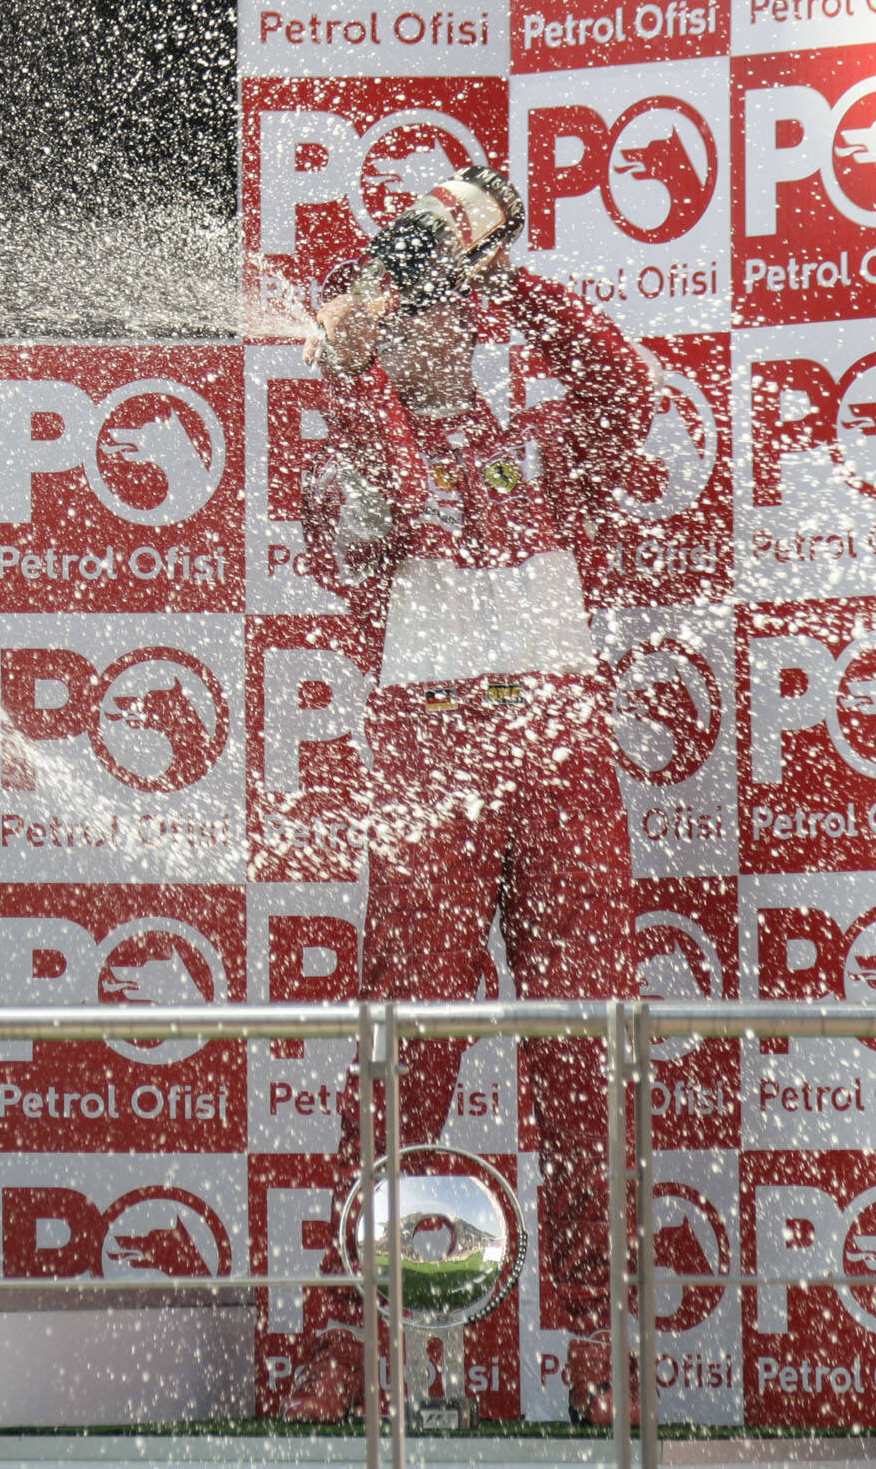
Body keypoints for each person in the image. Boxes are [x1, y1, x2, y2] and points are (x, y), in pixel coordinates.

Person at [284, 178, 650, 1425]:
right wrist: (350, 374)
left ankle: (603, 1352)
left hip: (560, 754)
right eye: (410, 310)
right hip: (430, 759)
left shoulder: (542, 430)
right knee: (402, 1060)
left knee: (586, 1052)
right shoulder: (345, 444)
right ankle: (340, 1347)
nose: (433, 329)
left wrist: (506, 270)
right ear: (381, 329)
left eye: (452, 308)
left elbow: (622, 391)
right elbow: (394, 508)